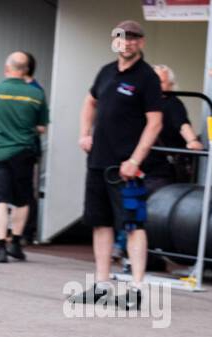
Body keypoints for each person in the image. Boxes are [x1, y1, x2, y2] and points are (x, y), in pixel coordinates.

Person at [76, 19, 163, 306]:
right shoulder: (106, 73)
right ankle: (101, 284)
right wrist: (84, 134)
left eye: (134, 38)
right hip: (98, 162)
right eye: (123, 38)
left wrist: (135, 159)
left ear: (142, 42)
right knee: (100, 223)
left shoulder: (147, 77)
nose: (128, 43)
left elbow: (155, 123)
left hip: (127, 168)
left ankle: (137, 288)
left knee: (133, 224)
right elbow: (90, 102)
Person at [0, 51, 48, 263]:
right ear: (26, 71)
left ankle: (0, 247)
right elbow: (41, 128)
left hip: (0, 154)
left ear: (7, 68)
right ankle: (16, 243)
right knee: (22, 200)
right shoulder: (36, 95)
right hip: (25, 153)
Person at [148, 64, 204, 192]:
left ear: (171, 85)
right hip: (138, 165)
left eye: (160, 82)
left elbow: (182, 124)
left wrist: (192, 141)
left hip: (160, 170)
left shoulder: (172, 103)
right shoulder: (141, 101)